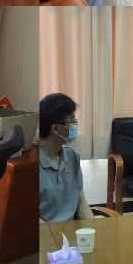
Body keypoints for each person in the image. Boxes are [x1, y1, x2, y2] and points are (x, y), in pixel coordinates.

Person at [38, 93, 93, 222]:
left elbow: (80, 201)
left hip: (73, 232)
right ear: (56, 129)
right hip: (48, 233)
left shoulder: (72, 156)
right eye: (72, 120)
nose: (75, 124)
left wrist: (92, 228)